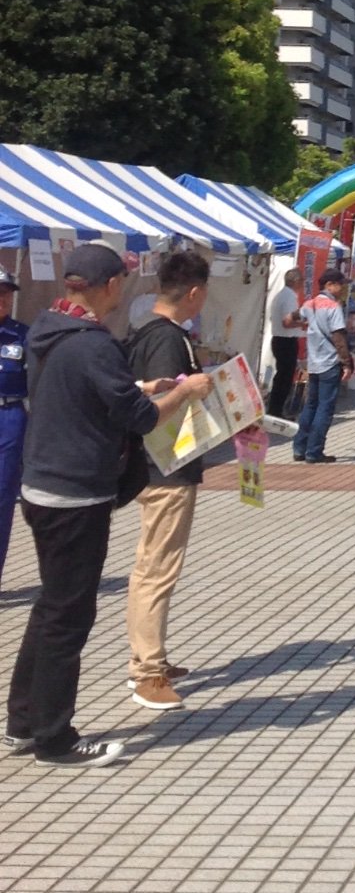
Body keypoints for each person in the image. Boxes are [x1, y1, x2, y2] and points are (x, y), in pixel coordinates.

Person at [5, 244, 212, 765]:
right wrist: (184, 393)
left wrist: (140, 386)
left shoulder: (48, 327)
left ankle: (23, 721)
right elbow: (141, 419)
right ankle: (55, 737)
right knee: (68, 619)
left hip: (43, 484)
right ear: (111, 286)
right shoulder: (92, 344)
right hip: (76, 493)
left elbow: (85, 390)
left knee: (52, 607)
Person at [124, 250, 225, 711]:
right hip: (165, 467)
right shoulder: (167, 340)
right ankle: (146, 670)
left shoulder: (145, 332)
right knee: (157, 569)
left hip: (157, 466)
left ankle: (153, 658)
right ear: (194, 292)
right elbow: (162, 408)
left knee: (156, 565)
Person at [292, 270, 353, 464]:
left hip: (314, 362)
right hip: (329, 362)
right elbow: (339, 337)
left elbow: (293, 317)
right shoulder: (333, 307)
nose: (343, 288)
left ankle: (299, 448)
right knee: (325, 408)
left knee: (310, 405)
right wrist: (347, 363)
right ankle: (314, 451)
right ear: (330, 285)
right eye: (340, 284)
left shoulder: (309, 303)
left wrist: (308, 326)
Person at [0, 268, 28, 595]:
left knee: (4, 499)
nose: (4, 298)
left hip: (9, 415)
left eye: (8, 293)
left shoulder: (22, 335)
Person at [266, 267, 302, 417]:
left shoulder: (280, 295)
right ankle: (277, 409)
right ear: (296, 282)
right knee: (284, 378)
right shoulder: (289, 297)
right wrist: (302, 324)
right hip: (286, 340)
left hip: (279, 339)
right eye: (301, 282)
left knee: (281, 376)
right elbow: (287, 322)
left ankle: (275, 408)